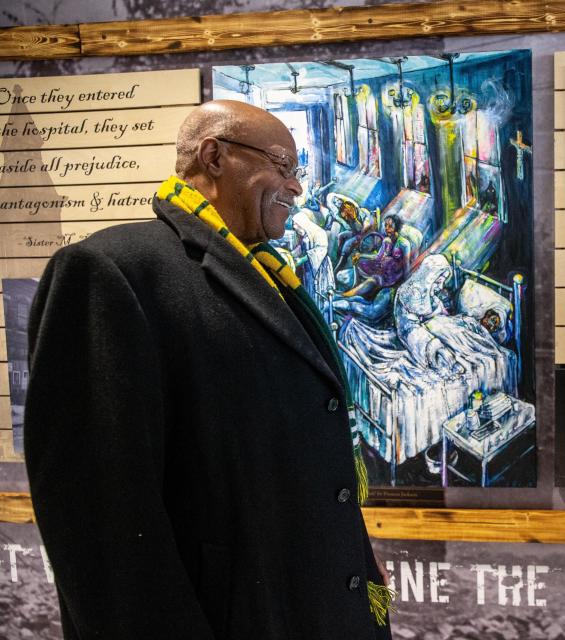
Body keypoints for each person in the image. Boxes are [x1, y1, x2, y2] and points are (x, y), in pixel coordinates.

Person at [24, 100, 393, 640]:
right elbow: (100, 519)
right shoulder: (113, 271)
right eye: (282, 166)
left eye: (298, 172)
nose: (295, 188)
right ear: (214, 156)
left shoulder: (267, 274)